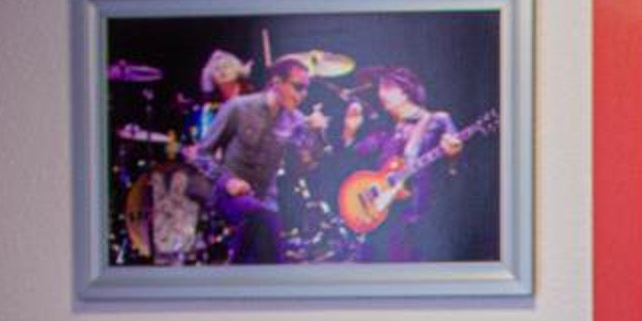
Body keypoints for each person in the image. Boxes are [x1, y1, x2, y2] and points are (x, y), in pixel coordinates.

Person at [192, 55, 324, 264]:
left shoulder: (296, 121)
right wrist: (228, 181)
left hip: (265, 201)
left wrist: (315, 135)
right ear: (276, 82)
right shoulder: (239, 107)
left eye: (306, 89)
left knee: (263, 236)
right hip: (228, 194)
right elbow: (202, 154)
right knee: (264, 225)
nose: (303, 95)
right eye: (298, 87)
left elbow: (299, 169)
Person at [344, 65, 465, 262]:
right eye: (380, 88)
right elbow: (352, 157)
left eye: (386, 87)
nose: (380, 94)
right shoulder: (385, 128)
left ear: (404, 92)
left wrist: (453, 157)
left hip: (422, 224)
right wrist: (349, 131)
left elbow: (457, 174)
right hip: (385, 224)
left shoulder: (438, 120)